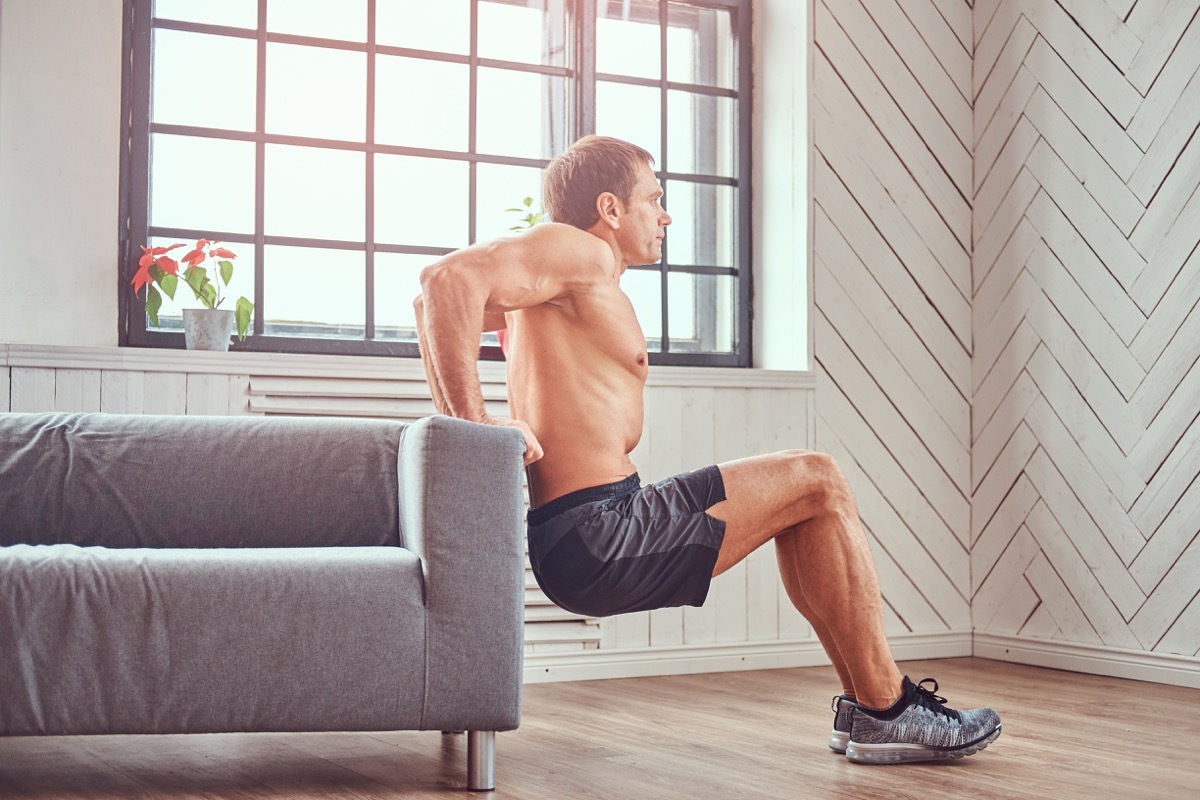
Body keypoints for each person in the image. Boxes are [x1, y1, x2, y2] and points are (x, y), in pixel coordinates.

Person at [413, 134, 1000, 764]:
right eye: (654, 199)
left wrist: (468, 423)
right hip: (600, 532)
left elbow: (429, 306)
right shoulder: (576, 249)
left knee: (810, 504)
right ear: (610, 209)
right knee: (818, 476)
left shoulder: (555, 287)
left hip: (591, 528)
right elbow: (443, 281)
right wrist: (473, 425)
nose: (665, 216)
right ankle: (889, 709)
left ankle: (869, 707)